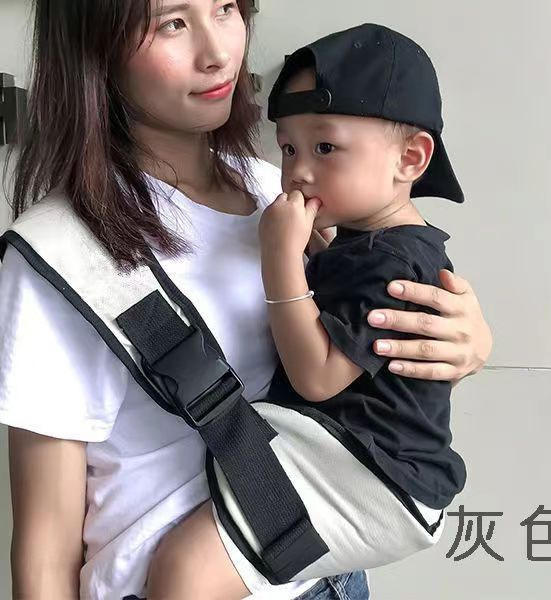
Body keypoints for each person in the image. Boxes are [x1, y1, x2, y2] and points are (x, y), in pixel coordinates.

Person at [0, 2, 492, 599]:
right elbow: (46, 543)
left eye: (225, 8)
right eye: (172, 23)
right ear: (95, 46)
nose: (218, 53)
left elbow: (360, 349)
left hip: (323, 577)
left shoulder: (274, 189)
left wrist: (462, 345)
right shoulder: (61, 252)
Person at [145, 23, 469, 600]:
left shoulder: (391, 262)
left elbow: (317, 377)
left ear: (411, 158)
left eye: (325, 148)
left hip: (376, 473)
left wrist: (280, 260)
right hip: (366, 462)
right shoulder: (370, 246)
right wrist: (314, 256)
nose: (297, 170)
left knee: (183, 574)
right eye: (289, 148)